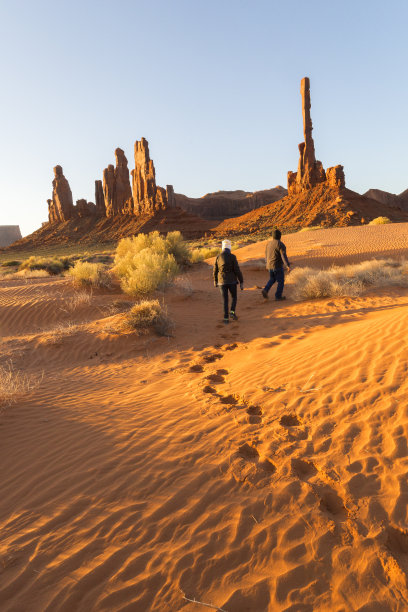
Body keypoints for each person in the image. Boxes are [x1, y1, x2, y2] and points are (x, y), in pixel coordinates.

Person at [214, 240, 244, 324]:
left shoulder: (218, 257)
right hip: (232, 281)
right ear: (229, 247)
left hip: (221, 282)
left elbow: (215, 270)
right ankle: (232, 312)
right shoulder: (233, 257)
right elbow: (237, 270)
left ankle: (226, 319)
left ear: (222, 247)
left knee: (225, 300)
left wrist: (215, 280)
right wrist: (241, 281)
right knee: (234, 297)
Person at [262, 228, 291, 300]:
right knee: (281, 281)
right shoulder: (280, 244)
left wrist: (267, 264)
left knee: (272, 279)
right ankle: (278, 296)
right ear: (280, 236)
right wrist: (287, 265)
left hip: (269, 266)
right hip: (277, 266)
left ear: (273, 236)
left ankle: (265, 290)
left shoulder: (268, 244)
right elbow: (283, 256)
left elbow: (266, 255)